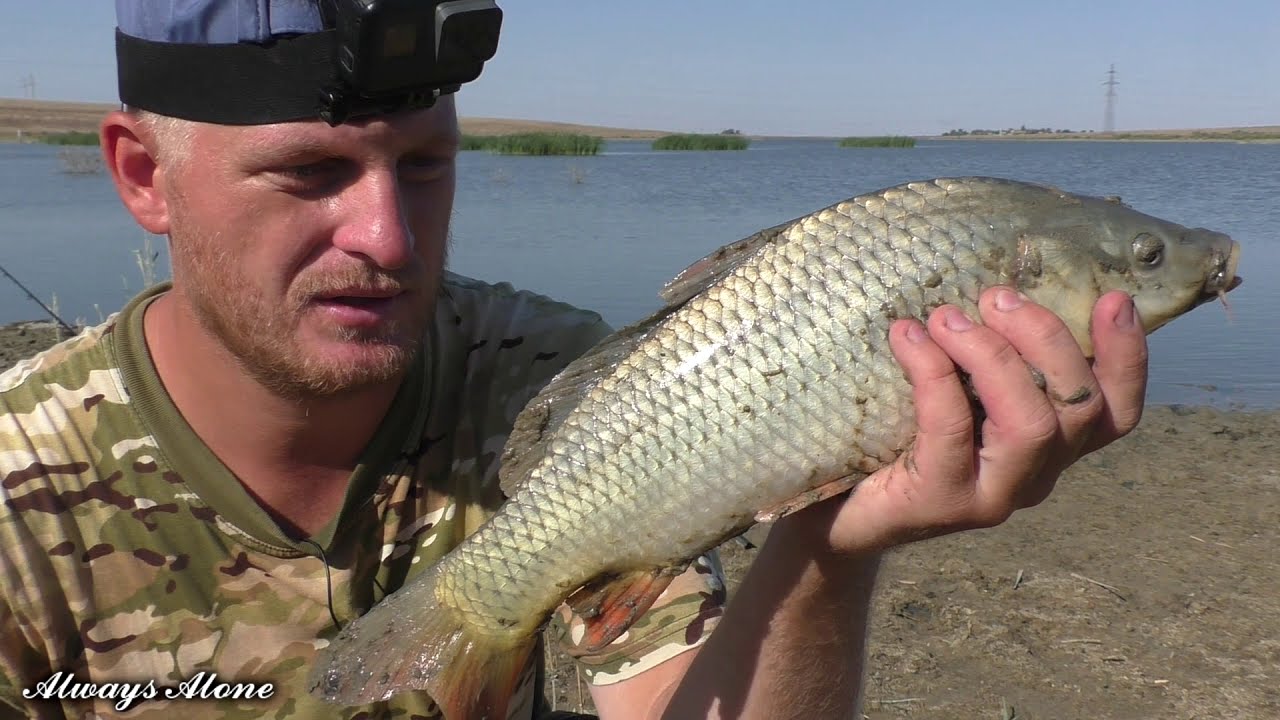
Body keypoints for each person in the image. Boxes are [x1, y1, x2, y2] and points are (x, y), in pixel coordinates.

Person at [0, 2, 1151, 718]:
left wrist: (827, 552)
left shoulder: (554, 379)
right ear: (143, 177)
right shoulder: (14, 495)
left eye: (425, 165)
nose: (388, 240)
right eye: (308, 173)